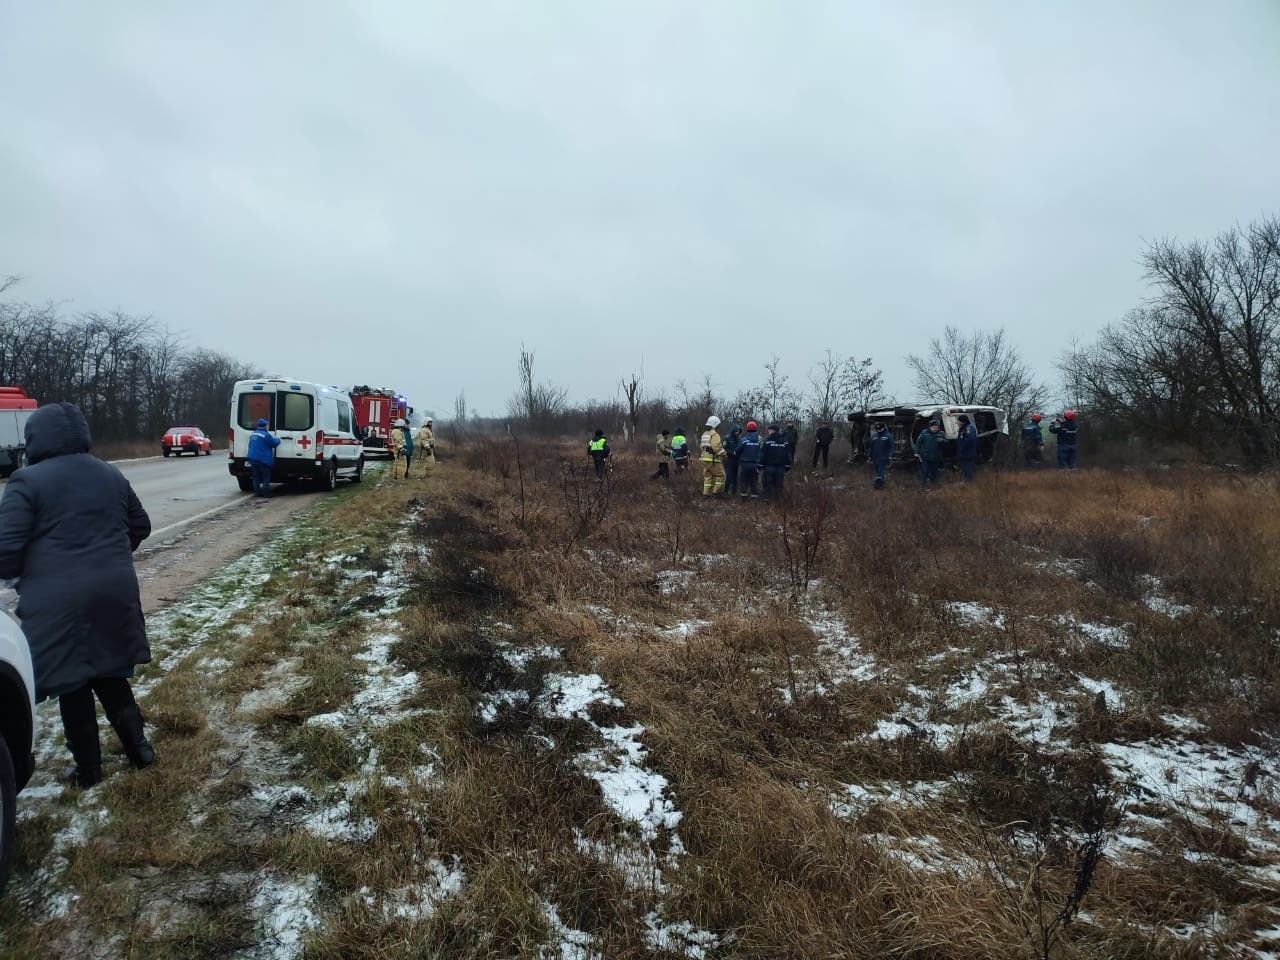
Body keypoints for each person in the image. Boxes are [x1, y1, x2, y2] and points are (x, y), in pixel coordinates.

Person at [0, 402, 155, 788]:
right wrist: (112, 556)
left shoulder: (27, 480)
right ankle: (140, 751)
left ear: (35, 438)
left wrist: (21, 573)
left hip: (58, 598)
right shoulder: (110, 473)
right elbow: (141, 525)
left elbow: (6, 548)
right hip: (114, 588)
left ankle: (88, 771)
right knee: (109, 668)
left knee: (72, 680)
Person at [247, 417, 281, 499]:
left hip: (252, 458)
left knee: (256, 477)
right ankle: (266, 494)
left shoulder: (253, 434)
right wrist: (278, 439)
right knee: (266, 477)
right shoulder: (266, 435)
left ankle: (257, 493)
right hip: (263, 460)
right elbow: (273, 444)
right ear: (265, 426)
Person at [761, 424, 793, 497]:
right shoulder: (784, 441)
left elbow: (762, 454)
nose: (768, 431)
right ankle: (778, 499)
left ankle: (767, 498)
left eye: (769, 430)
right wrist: (788, 466)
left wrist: (760, 464)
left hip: (769, 466)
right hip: (780, 467)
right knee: (779, 483)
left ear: (772, 430)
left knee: (767, 483)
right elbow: (788, 454)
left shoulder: (767, 441)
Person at [699, 416, 726, 496]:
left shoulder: (704, 434)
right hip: (713, 459)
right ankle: (717, 492)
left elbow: (701, 446)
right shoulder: (714, 434)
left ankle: (706, 494)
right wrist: (724, 454)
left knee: (708, 477)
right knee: (721, 476)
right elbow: (716, 447)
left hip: (704, 459)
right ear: (715, 425)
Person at [913, 419, 945, 487]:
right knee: (925, 471)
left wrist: (943, 441)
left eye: (937, 427)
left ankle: (933, 484)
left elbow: (947, 443)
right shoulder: (924, 433)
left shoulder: (941, 433)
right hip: (925, 456)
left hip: (936, 457)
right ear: (930, 427)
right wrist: (916, 452)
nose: (936, 429)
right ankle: (923, 485)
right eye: (934, 427)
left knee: (934, 472)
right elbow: (918, 443)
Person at [737, 421, 763, 498]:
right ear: (756, 429)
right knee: (754, 481)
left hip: (745, 464)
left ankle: (744, 497)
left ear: (747, 429)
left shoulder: (744, 440)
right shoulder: (760, 440)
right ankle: (754, 497)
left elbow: (738, 451)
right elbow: (763, 451)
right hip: (755, 464)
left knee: (743, 481)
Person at [869, 421, 894, 489]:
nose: (879, 430)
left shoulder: (888, 436)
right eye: (878, 429)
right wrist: (869, 455)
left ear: (883, 428)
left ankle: (878, 484)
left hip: (883, 457)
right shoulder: (875, 436)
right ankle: (881, 482)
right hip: (875, 457)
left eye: (880, 429)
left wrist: (890, 455)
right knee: (878, 470)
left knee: (880, 470)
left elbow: (892, 446)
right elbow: (871, 446)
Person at [956, 414, 978, 481]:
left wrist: (962, 448)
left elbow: (969, 439)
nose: (957, 422)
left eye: (959, 421)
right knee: (965, 467)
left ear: (963, 421)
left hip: (968, 452)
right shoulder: (964, 428)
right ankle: (966, 480)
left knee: (968, 467)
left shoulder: (969, 428)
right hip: (964, 453)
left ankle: (969, 481)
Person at [722, 424, 742, 494]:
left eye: (739, 431)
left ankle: (734, 491)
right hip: (728, 460)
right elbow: (724, 448)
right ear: (733, 431)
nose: (737, 432)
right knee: (729, 476)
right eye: (736, 431)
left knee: (735, 476)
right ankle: (725, 491)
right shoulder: (727, 438)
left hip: (736, 461)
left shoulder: (739, 438)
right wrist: (732, 452)